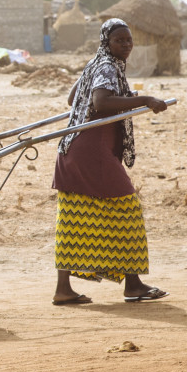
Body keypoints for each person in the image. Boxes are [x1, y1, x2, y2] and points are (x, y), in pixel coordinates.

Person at [51, 18, 172, 306]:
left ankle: (63, 289)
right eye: (120, 40)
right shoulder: (106, 66)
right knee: (127, 211)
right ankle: (132, 284)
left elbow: (73, 99)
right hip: (91, 151)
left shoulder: (97, 63)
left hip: (73, 148)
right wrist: (145, 99)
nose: (126, 45)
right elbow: (101, 103)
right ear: (108, 42)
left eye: (129, 40)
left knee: (74, 218)